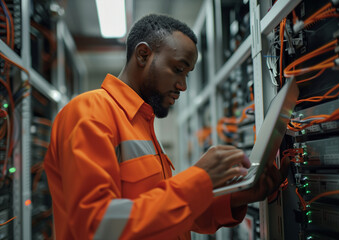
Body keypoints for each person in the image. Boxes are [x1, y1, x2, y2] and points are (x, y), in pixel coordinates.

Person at [44, 14, 289, 240]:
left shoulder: (141, 122)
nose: (183, 86)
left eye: (187, 74)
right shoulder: (89, 113)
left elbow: (164, 213)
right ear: (143, 55)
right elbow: (95, 228)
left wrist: (237, 196)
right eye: (178, 69)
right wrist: (199, 179)